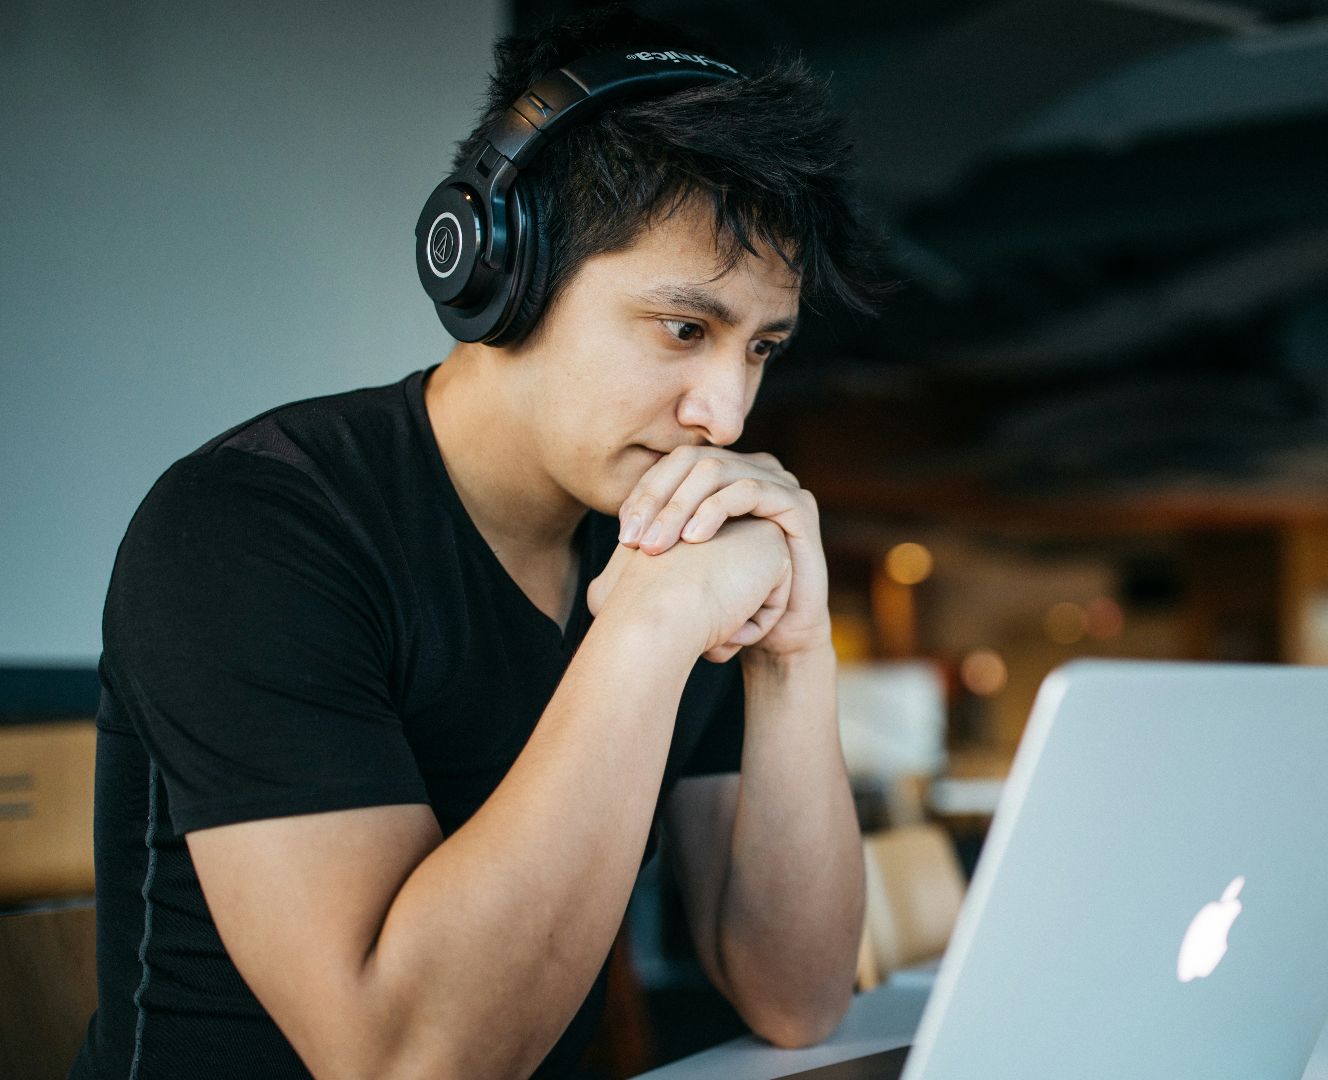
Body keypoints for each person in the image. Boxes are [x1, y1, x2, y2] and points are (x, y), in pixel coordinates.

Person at [72, 6, 885, 1078]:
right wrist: (647, 631)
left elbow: (798, 996)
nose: (727, 416)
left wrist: (794, 651)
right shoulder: (249, 529)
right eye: (685, 329)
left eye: (761, 347)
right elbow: (406, 1060)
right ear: (502, 273)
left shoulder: (666, 538)